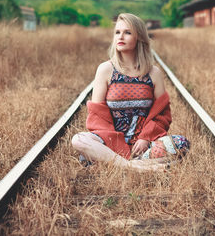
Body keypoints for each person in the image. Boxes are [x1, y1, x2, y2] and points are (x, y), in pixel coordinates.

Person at [72, 13, 189, 171]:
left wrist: (145, 138)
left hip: (142, 147)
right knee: (78, 140)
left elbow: (162, 115)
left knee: (181, 143)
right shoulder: (105, 70)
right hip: (111, 144)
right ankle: (135, 167)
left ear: (139, 38)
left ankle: (121, 164)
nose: (121, 36)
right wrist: (115, 143)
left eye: (127, 32)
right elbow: (97, 115)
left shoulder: (153, 73)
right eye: (117, 32)